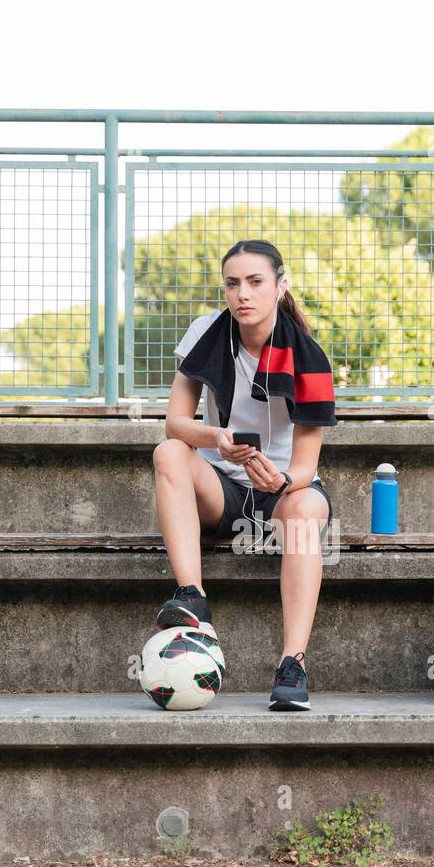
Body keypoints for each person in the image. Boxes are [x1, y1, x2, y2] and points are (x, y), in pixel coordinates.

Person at [152, 239, 337, 710]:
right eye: (233, 284)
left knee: (307, 508)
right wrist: (218, 440)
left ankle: (292, 664)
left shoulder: (309, 357)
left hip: (280, 489)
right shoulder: (206, 332)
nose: (243, 294)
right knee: (170, 452)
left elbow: (305, 467)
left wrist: (278, 482)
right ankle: (192, 597)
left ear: (280, 286)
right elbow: (176, 422)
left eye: (256, 282)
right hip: (222, 487)